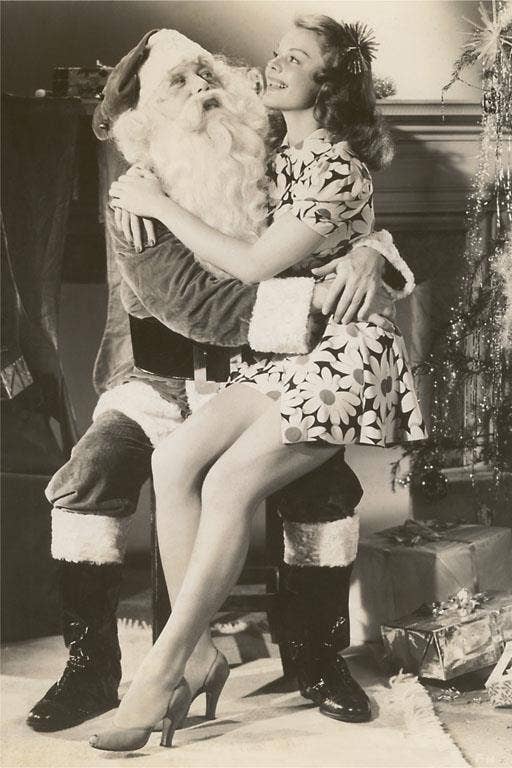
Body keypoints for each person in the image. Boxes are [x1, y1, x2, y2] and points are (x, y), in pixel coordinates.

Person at [27, 27, 409, 733]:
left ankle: (301, 658)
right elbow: (199, 307)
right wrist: (333, 280)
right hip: (167, 381)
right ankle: (108, 667)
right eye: (178, 82)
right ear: (146, 113)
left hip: (305, 368)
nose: (202, 89)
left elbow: (327, 215)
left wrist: (372, 254)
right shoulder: (138, 194)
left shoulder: (256, 150)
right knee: (125, 470)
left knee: (294, 488)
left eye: (205, 74)